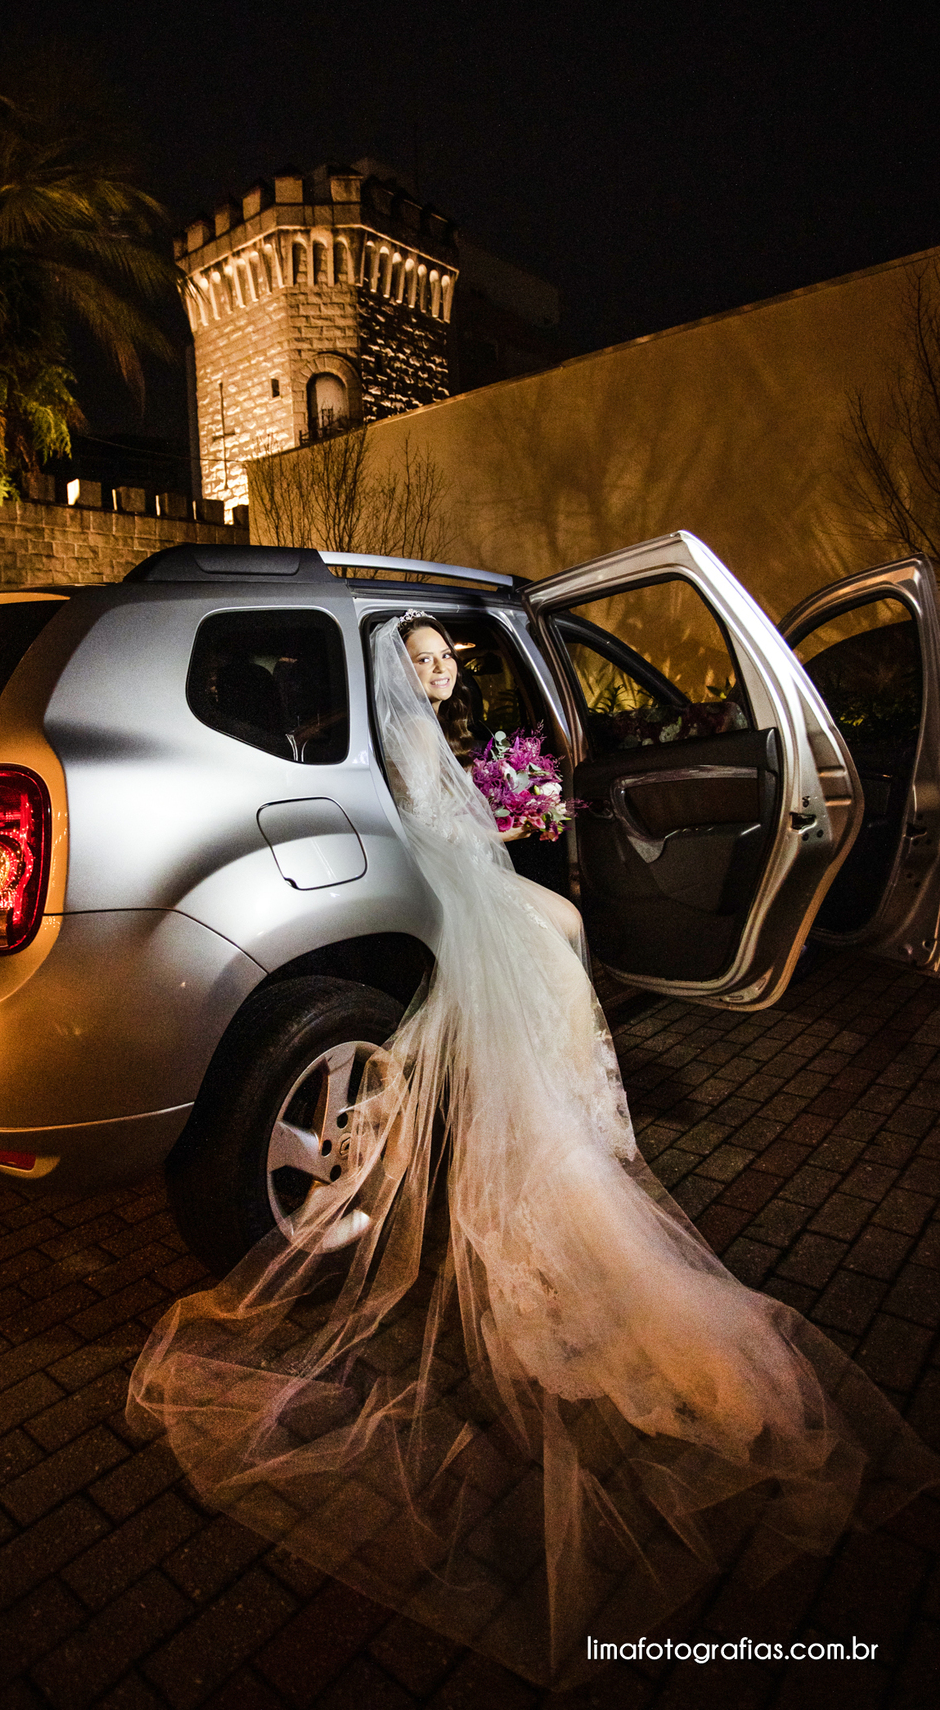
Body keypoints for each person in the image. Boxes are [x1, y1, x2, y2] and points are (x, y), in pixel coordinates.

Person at [129, 611, 939, 1688]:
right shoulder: (399, 729)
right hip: (443, 884)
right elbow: (440, 829)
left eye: (438, 659)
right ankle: (566, 1097)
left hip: (448, 872)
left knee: (553, 928)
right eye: (415, 659)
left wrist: (516, 810)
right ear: (392, 666)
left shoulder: (380, 719)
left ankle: (554, 1082)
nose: (429, 671)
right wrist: (513, 823)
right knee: (554, 935)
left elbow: (450, 815)